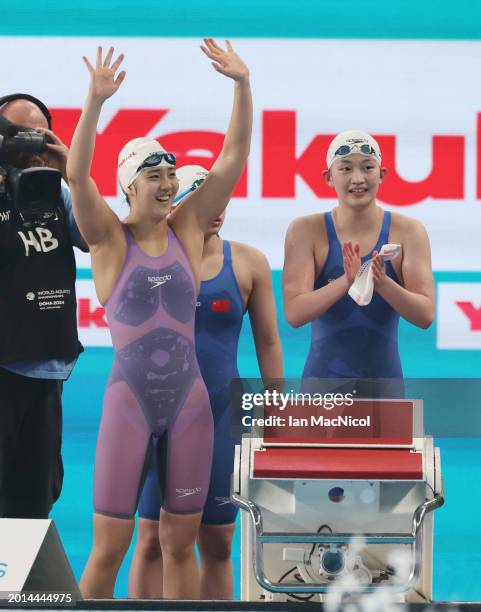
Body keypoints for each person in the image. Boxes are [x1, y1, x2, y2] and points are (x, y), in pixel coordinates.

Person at [66, 41, 252, 599]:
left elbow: (232, 157)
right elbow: (76, 177)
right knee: (110, 547)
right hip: (130, 403)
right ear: (128, 185)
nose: (169, 181)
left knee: (181, 543)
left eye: (171, 171)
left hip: (191, 405)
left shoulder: (188, 229)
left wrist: (242, 85)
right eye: (154, 173)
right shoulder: (107, 238)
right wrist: (95, 103)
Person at [128, 165, 284, 600]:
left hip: (220, 416)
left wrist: (278, 409)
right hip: (158, 416)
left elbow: (269, 342)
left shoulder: (249, 262)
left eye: (219, 200)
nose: (215, 211)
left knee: (218, 543)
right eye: (202, 201)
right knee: (152, 538)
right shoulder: (150, 261)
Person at [283, 130, 435, 395]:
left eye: (367, 168)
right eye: (345, 168)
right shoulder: (306, 231)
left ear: (382, 175)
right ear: (328, 178)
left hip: (385, 391)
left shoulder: (409, 232)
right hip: (322, 392)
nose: (357, 178)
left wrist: (383, 283)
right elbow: (294, 313)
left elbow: (425, 315)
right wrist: (346, 282)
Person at [0, 94, 86, 519]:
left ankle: (17, 589)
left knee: (34, 501)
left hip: (45, 370)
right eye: (13, 135)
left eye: (36, 134)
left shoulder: (59, 194)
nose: (26, 146)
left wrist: (72, 172)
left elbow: (100, 240)